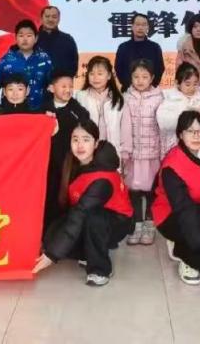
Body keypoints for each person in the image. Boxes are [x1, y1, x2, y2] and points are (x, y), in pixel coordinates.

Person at [34, 119, 134, 287]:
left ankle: (100, 269)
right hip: (86, 214)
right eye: (75, 139)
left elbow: (81, 212)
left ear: (96, 144)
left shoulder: (102, 177)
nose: (80, 145)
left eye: (86, 139)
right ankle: (88, 252)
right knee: (52, 236)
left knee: (93, 219)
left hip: (115, 222)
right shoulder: (73, 163)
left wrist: (52, 255)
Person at [153, 110, 200, 286]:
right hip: (172, 216)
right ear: (180, 135)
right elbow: (183, 208)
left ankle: (192, 243)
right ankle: (183, 254)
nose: (196, 136)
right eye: (190, 131)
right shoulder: (172, 166)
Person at [119, 59, 164, 246]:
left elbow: (163, 126)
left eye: (145, 77)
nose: (140, 80)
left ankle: (149, 225)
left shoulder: (160, 98)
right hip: (133, 154)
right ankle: (136, 225)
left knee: (152, 191)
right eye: (136, 76)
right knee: (134, 191)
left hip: (153, 153)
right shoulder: (125, 97)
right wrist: (124, 150)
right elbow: (122, 126)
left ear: (152, 78)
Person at [41, 71, 91, 229]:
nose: (68, 90)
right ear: (51, 88)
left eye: (70, 86)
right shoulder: (41, 110)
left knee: (65, 197)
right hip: (46, 162)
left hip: (68, 162)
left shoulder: (78, 111)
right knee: (47, 195)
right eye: (63, 86)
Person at [0, 19, 53, 111]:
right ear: (15, 38)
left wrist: (52, 110)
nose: (25, 39)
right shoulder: (5, 60)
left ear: (36, 38)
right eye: (21, 35)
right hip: (11, 111)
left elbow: (53, 85)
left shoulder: (44, 59)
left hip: (38, 111)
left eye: (29, 35)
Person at [157, 63, 200, 155]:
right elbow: (163, 123)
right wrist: (186, 113)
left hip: (197, 146)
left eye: (195, 84)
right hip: (174, 146)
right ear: (177, 83)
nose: (192, 88)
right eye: (187, 84)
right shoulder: (170, 99)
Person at [76, 55, 125, 146]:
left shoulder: (119, 99)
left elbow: (125, 129)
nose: (95, 77)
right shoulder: (80, 97)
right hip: (88, 148)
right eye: (91, 74)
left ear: (109, 75)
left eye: (100, 74)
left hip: (112, 149)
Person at [114, 12, 165, 88]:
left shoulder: (155, 47)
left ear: (148, 27)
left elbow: (160, 68)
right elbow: (118, 69)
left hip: (150, 90)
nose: (140, 28)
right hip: (128, 90)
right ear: (132, 27)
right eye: (137, 24)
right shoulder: (123, 47)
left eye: (144, 25)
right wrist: (129, 86)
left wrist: (151, 86)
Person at [35, 5, 79, 78]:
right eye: (47, 16)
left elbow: (73, 66)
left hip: (61, 83)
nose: (50, 19)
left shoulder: (68, 40)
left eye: (54, 17)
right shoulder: (32, 39)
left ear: (59, 19)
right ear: (41, 18)